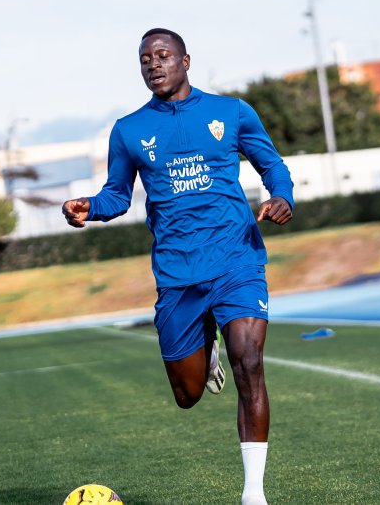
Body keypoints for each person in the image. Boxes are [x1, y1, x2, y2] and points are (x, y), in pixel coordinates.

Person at [62, 28, 293, 505]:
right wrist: (91, 206)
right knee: (187, 395)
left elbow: (273, 166)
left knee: (249, 364)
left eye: (163, 55)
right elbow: (117, 195)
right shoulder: (128, 130)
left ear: (186, 60)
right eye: (145, 59)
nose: (154, 64)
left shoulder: (231, 113)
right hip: (178, 276)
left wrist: (282, 196)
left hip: (237, 262)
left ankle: (254, 493)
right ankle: (202, 351)